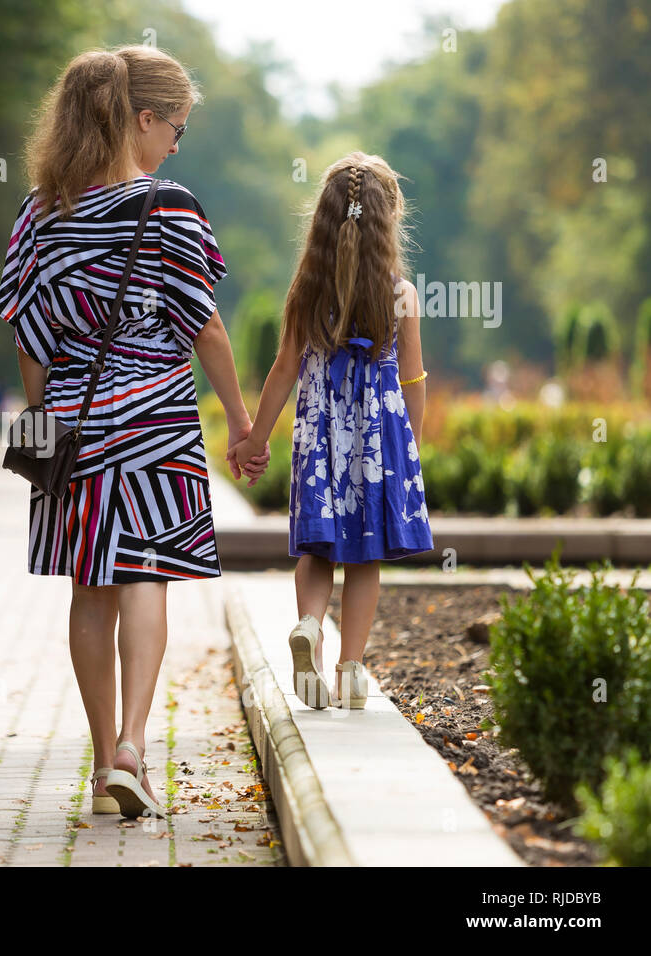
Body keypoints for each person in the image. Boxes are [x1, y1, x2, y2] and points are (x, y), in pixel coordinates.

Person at [0, 45, 269, 820]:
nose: (176, 144)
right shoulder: (169, 208)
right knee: (145, 575)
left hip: (76, 424)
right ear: (142, 118)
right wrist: (243, 425)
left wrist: (47, 416)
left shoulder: (40, 211)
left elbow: (26, 333)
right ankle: (134, 750)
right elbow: (207, 328)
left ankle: (100, 759)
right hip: (156, 426)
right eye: (176, 128)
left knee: (92, 586)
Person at [231, 152, 434, 711]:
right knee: (364, 556)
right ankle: (350, 670)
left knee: (318, 546)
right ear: (388, 220)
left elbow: (283, 370)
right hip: (375, 439)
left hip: (320, 432)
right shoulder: (400, 294)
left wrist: (254, 439)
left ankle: (309, 627)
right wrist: (410, 449)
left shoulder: (306, 291)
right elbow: (413, 377)